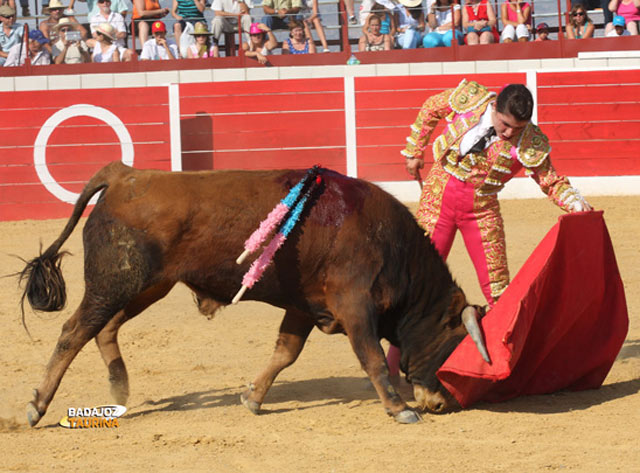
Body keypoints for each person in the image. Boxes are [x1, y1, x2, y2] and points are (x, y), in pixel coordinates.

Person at [386, 80, 593, 376]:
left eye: (517, 129)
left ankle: (500, 365)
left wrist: (576, 203)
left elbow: (550, 181)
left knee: (499, 292)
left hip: (481, 210)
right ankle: (391, 368)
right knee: (416, 283)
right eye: (505, 124)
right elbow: (432, 107)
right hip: (437, 198)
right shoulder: (470, 100)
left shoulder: (529, 140)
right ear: (494, 107)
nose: (508, 133)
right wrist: (413, 150)